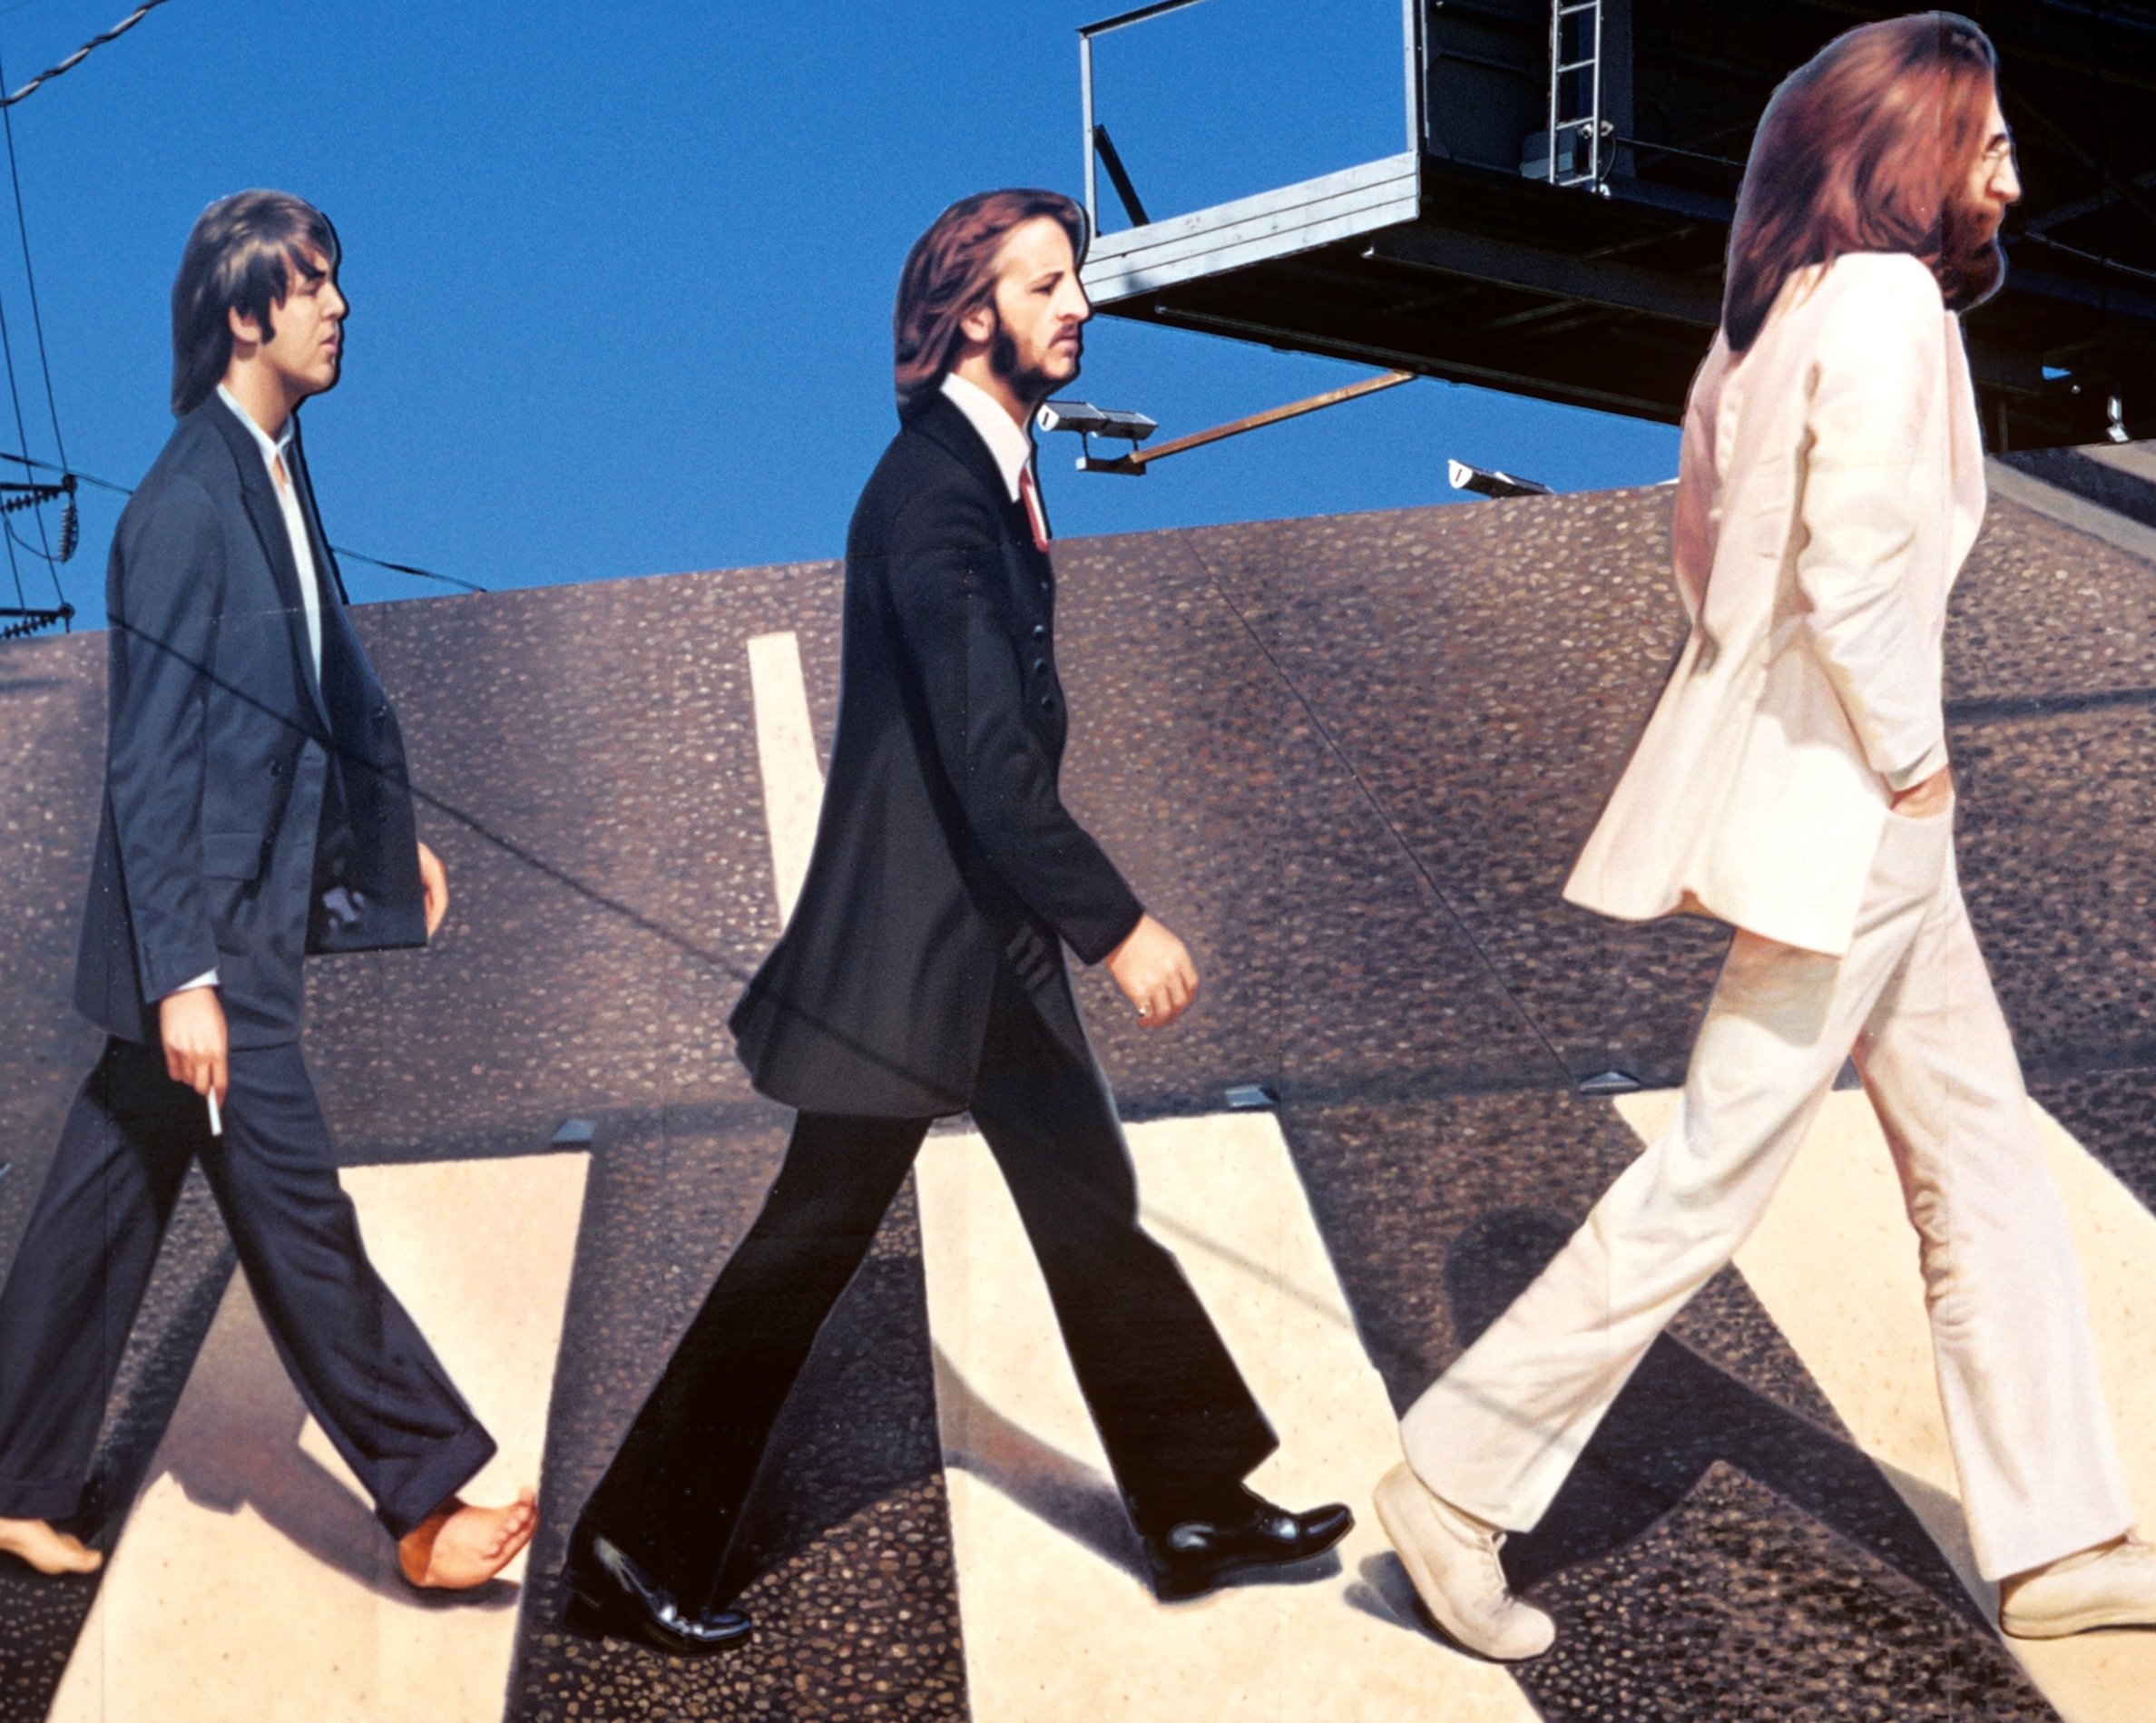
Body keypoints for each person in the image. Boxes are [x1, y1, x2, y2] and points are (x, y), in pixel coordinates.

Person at [1376, 12, 2156, 1660]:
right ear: (1912, 151)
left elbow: (1708, 558)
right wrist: (1912, 765)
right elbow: (1854, 578)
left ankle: (2061, 1541)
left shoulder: (1772, 317)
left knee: (1982, 1157)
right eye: (1990, 139)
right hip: (1862, 814)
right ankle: (1455, 1483)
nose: (2014, 172)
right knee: (1713, 1172)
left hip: (1841, 807)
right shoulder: (1884, 306)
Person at [563, 187, 1351, 1656]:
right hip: (915, 953)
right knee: (811, 1239)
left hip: (981, 943)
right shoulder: (932, 498)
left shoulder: (986, 473)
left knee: (1087, 1202)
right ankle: (630, 1542)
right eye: (1047, 284)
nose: (1080, 305)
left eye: (1075, 280)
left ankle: (1192, 1503)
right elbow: (988, 760)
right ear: (973, 314)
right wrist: (1117, 925)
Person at [0, 191, 534, 1591]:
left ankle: (10, 1473)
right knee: (298, 1211)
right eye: (312, 286)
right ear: (245, 314)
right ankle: (423, 1499)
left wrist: (383, 842)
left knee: (110, 1187)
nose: (339, 306)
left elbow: (306, 693)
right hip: (215, 936)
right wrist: (182, 977)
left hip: (242, 906)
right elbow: (151, 760)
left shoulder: (274, 470)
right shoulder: (188, 505)